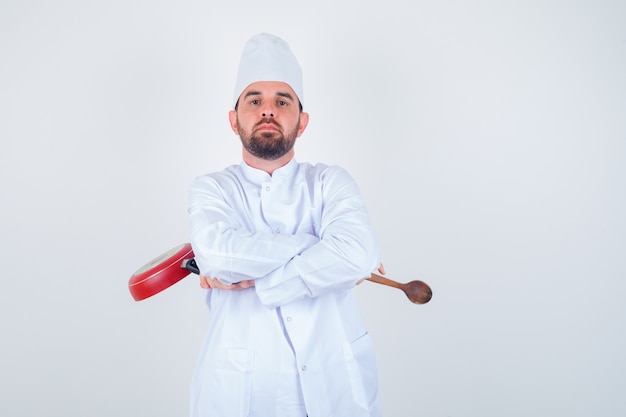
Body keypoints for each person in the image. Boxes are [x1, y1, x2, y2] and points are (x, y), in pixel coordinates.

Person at [188, 33, 383, 417]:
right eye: (254, 100)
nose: (268, 111)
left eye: (282, 101)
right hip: (240, 389)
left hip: (335, 383)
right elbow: (214, 253)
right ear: (234, 119)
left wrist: (257, 279)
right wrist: (323, 250)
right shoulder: (212, 189)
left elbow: (358, 254)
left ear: (302, 120)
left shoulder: (330, 182)